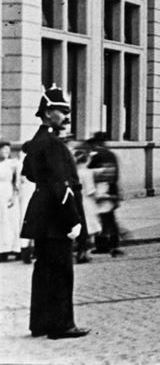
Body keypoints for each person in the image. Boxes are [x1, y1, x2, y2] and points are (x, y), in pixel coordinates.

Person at [19, 85, 89, 339]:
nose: (67, 117)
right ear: (48, 113)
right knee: (61, 270)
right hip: (57, 216)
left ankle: (40, 323)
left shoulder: (37, 141)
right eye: (62, 111)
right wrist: (73, 220)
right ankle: (62, 325)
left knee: (44, 269)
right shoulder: (53, 144)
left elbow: (28, 172)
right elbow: (62, 186)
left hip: (41, 214)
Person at [86, 132, 123, 257]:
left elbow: (90, 173)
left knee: (100, 218)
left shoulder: (96, 156)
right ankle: (114, 243)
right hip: (111, 190)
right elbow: (115, 175)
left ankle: (102, 245)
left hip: (100, 191)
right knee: (110, 219)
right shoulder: (111, 155)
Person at [0, 141, 21, 260]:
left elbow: (16, 181)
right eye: (3, 150)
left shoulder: (13, 164)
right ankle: (2, 249)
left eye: (8, 150)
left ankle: (13, 248)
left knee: (11, 220)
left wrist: (14, 195)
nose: (6, 152)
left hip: (8, 193)